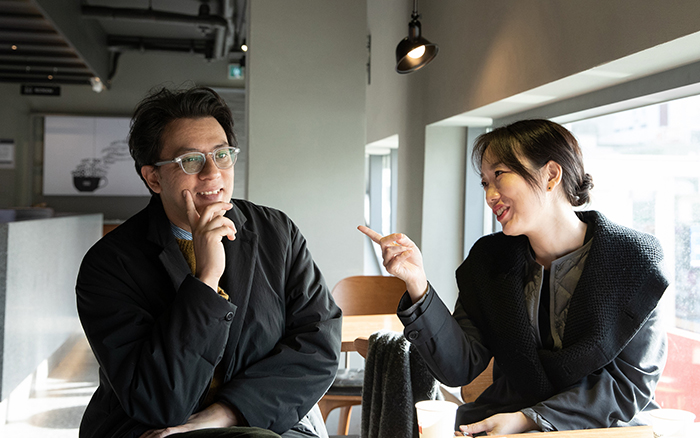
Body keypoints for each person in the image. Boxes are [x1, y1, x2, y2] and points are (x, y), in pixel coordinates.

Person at [359, 119, 668, 436]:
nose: (490, 194)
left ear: (550, 175)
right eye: (484, 183)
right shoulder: (489, 261)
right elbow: (459, 367)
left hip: (605, 426)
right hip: (504, 420)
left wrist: (529, 418)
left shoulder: (631, 261)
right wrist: (417, 284)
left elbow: (631, 383)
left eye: (499, 175)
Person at [76, 86, 342, 438]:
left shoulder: (277, 233)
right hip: (151, 429)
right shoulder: (110, 264)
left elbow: (319, 347)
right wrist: (206, 278)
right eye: (190, 161)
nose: (212, 173)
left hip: (263, 419)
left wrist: (225, 414)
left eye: (222, 155)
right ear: (153, 177)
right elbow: (159, 401)